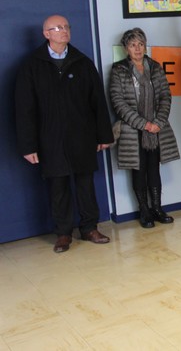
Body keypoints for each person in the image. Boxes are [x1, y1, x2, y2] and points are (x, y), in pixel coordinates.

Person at [15, 15, 114, 253]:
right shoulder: (32, 66)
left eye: (66, 27)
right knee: (58, 187)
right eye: (57, 28)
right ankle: (63, 233)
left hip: (82, 136)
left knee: (85, 184)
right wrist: (28, 146)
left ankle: (90, 227)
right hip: (50, 138)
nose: (63, 31)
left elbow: (97, 102)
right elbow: (24, 108)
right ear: (46, 34)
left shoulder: (82, 62)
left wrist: (103, 135)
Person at [109, 28, 180, 228]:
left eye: (140, 44)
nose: (137, 48)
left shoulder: (155, 67)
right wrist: (144, 124)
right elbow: (118, 103)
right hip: (133, 131)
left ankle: (157, 208)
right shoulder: (119, 70)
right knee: (138, 171)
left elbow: (166, 96)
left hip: (157, 129)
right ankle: (144, 211)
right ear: (126, 48)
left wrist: (159, 121)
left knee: (154, 169)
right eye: (133, 45)